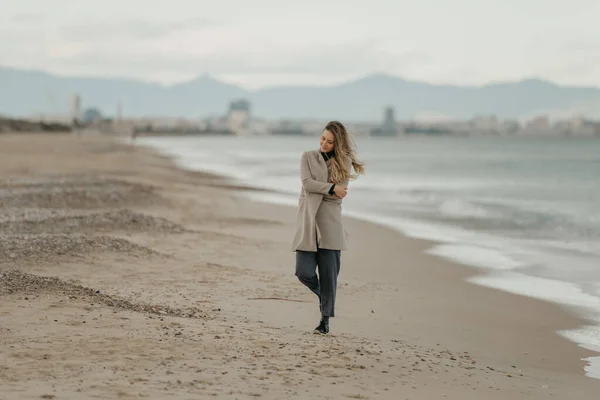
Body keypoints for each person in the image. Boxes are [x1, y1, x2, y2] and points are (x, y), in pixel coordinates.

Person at [291, 121, 365, 334]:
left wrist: (325, 189)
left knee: (329, 276)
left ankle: (324, 322)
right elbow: (307, 184)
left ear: (337, 144)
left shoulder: (344, 162)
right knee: (303, 272)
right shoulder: (307, 156)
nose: (324, 144)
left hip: (330, 224)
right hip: (308, 221)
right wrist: (331, 188)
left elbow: (339, 194)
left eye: (330, 142)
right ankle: (325, 298)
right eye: (323, 139)